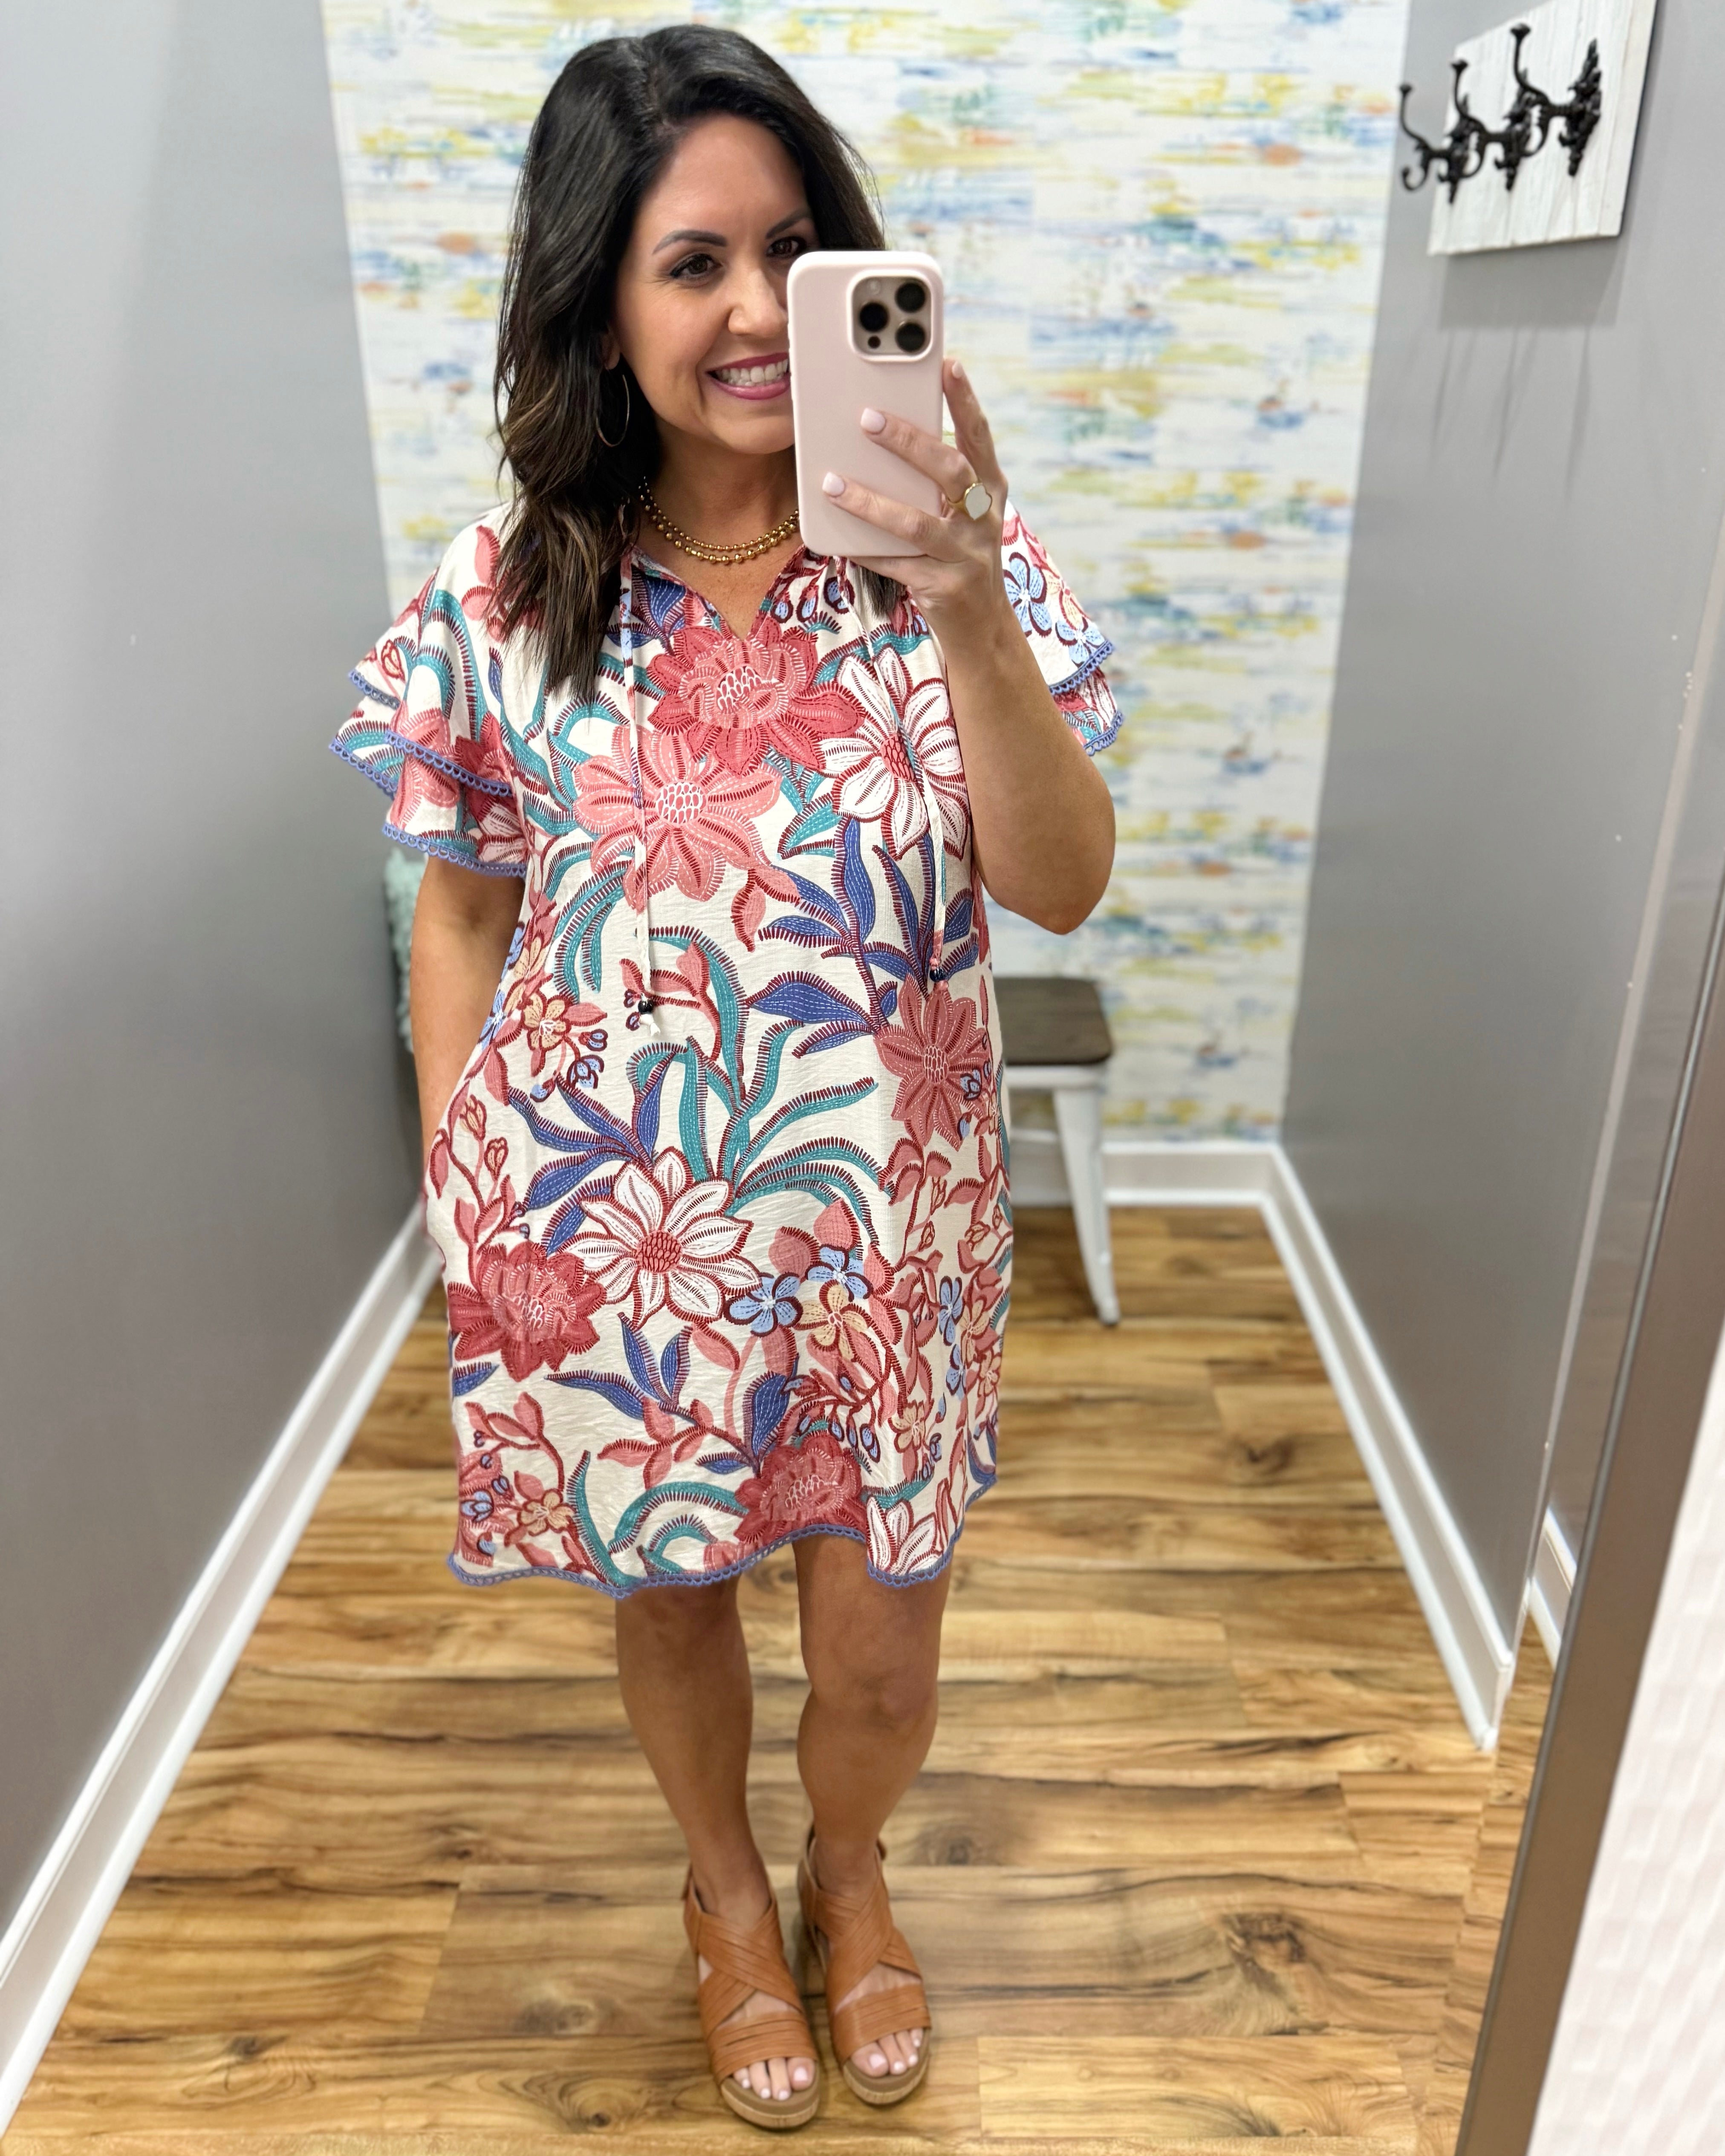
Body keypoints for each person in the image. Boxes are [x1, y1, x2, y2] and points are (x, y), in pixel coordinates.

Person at [332, 23, 1117, 2131]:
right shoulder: (501, 596)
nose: (760, 313)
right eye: (694, 263)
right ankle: (725, 1901)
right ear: (600, 298)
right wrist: (459, 1174)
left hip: (892, 1229)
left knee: (876, 1663)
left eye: (797, 254)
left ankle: (846, 1862)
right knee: (671, 1607)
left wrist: (959, 596)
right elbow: (464, 902)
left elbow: (1053, 884)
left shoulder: (962, 563)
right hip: (613, 1239)